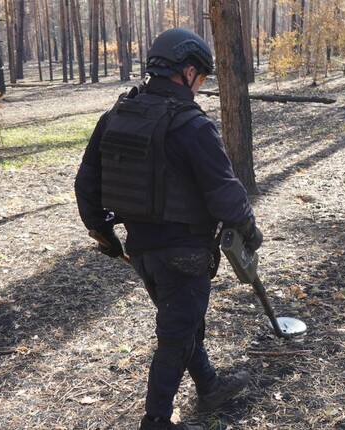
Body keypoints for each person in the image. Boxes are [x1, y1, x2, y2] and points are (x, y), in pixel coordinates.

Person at [74, 28, 263, 430]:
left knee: (183, 322)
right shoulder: (193, 126)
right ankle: (156, 420)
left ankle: (209, 385)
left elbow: (86, 183)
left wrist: (102, 232)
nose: (201, 87)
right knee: (176, 336)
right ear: (188, 71)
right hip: (185, 253)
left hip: (141, 249)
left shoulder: (116, 115)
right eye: (202, 79)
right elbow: (225, 194)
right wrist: (250, 230)